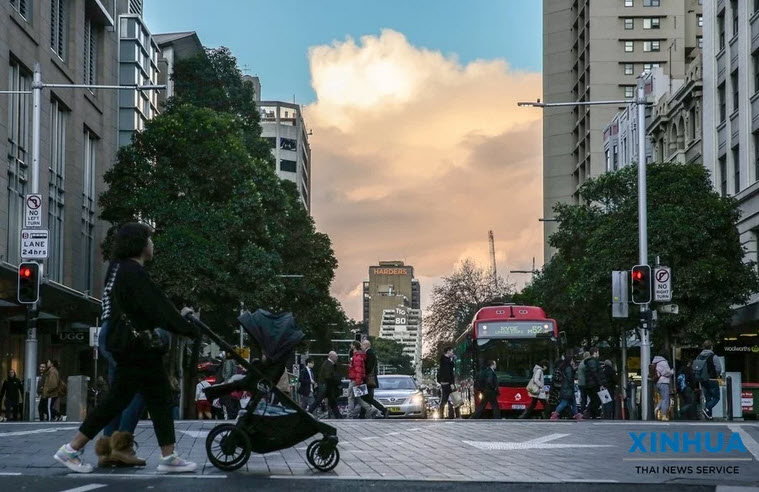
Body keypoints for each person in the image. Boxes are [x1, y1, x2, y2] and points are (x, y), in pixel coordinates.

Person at [53, 222, 200, 474]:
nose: (152, 244)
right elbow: (156, 306)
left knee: (152, 397)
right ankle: (71, 449)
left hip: (127, 343)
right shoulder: (132, 271)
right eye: (149, 239)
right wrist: (185, 325)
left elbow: (148, 305)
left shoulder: (118, 268)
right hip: (135, 345)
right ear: (139, 244)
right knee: (129, 399)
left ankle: (168, 456)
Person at [94, 262, 150, 468]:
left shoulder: (117, 266)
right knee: (139, 390)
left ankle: (107, 450)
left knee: (118, 394)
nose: (151, 246)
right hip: (118, 333)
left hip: (111, 331)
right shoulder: (127, 267)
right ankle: (122, 447)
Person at [347, 341, 379, 418]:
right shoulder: (359, 356)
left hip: (355, 380)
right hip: (357, 380)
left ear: (354, 346)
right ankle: (370, 409)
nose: (350, 346)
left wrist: (358, 381)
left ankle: (350, 414)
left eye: (351, 345)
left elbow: (359, 370)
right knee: (358, 398)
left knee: (350, 397)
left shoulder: (357, 357)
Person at [307, 351, 342, 419]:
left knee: (332, 401)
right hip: (325, 386)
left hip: (326, 386)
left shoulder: (328, 363)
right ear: (332, 357)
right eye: (336, 356)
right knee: (319, 400)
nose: (337, 358)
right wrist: (336, 380)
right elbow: (328, 376)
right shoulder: (328, 364)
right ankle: (309, 412)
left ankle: (338, 416)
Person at [693, 340, 722, 420]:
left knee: (708, 397)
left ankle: (709, 416)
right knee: (716, 397)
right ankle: (706, 409)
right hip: (712, 379)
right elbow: (718, 368)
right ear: (711, 347)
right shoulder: (713, 356)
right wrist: (717, 375)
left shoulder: (699, 356)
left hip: (703, 379)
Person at [551, 356, 583, 420]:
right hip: (568, 389)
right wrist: (573, 370)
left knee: (573, 403)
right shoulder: (568, 368)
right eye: (572, 361)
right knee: (564, 402)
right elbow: (570, 378)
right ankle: (555, 414)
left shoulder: (566, 368)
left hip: (566, 388)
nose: (573, 362)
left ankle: (576, 414)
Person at [360, 339, 387, 418]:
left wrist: (363, 372)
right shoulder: (370, 353)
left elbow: (368, 368)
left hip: (368, 380)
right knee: (365, 397)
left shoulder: (369, 354)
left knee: (366, 397)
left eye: (362, 345)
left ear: (366, 346)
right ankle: (362, 415)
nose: (361, 347)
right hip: (370, 380)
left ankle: (383, 409)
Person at [582, 347, 605, 419]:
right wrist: (600, 383)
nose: (598, 354)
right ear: (595, 353)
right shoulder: (593, 361)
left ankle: (592, 413)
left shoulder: (591, 361)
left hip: (591, 384)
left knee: (594, 399)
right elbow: (594, 373)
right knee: (596, 399)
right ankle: (588, 412)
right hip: (593, 384)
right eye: (598, 352)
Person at [652, 351, 674, 420]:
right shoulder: (663, 362)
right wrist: (672, 371)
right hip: (663, 382)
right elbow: (667, 372)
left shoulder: (655, 362)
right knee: (666, 399)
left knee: (664, 397)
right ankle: (664, 415)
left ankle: (657, 408)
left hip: (658, 382)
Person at [437, 347, 457, 419]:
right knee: (452, 398)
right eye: (451, 351)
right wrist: (451, 383)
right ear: (448, 351)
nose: (452, 353)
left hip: (445, 382)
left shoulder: (445, 360)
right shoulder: (446, 361)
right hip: (447, 383)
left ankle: (444, 414)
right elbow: (448, 373)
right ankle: (451, 414)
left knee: (448, 399)